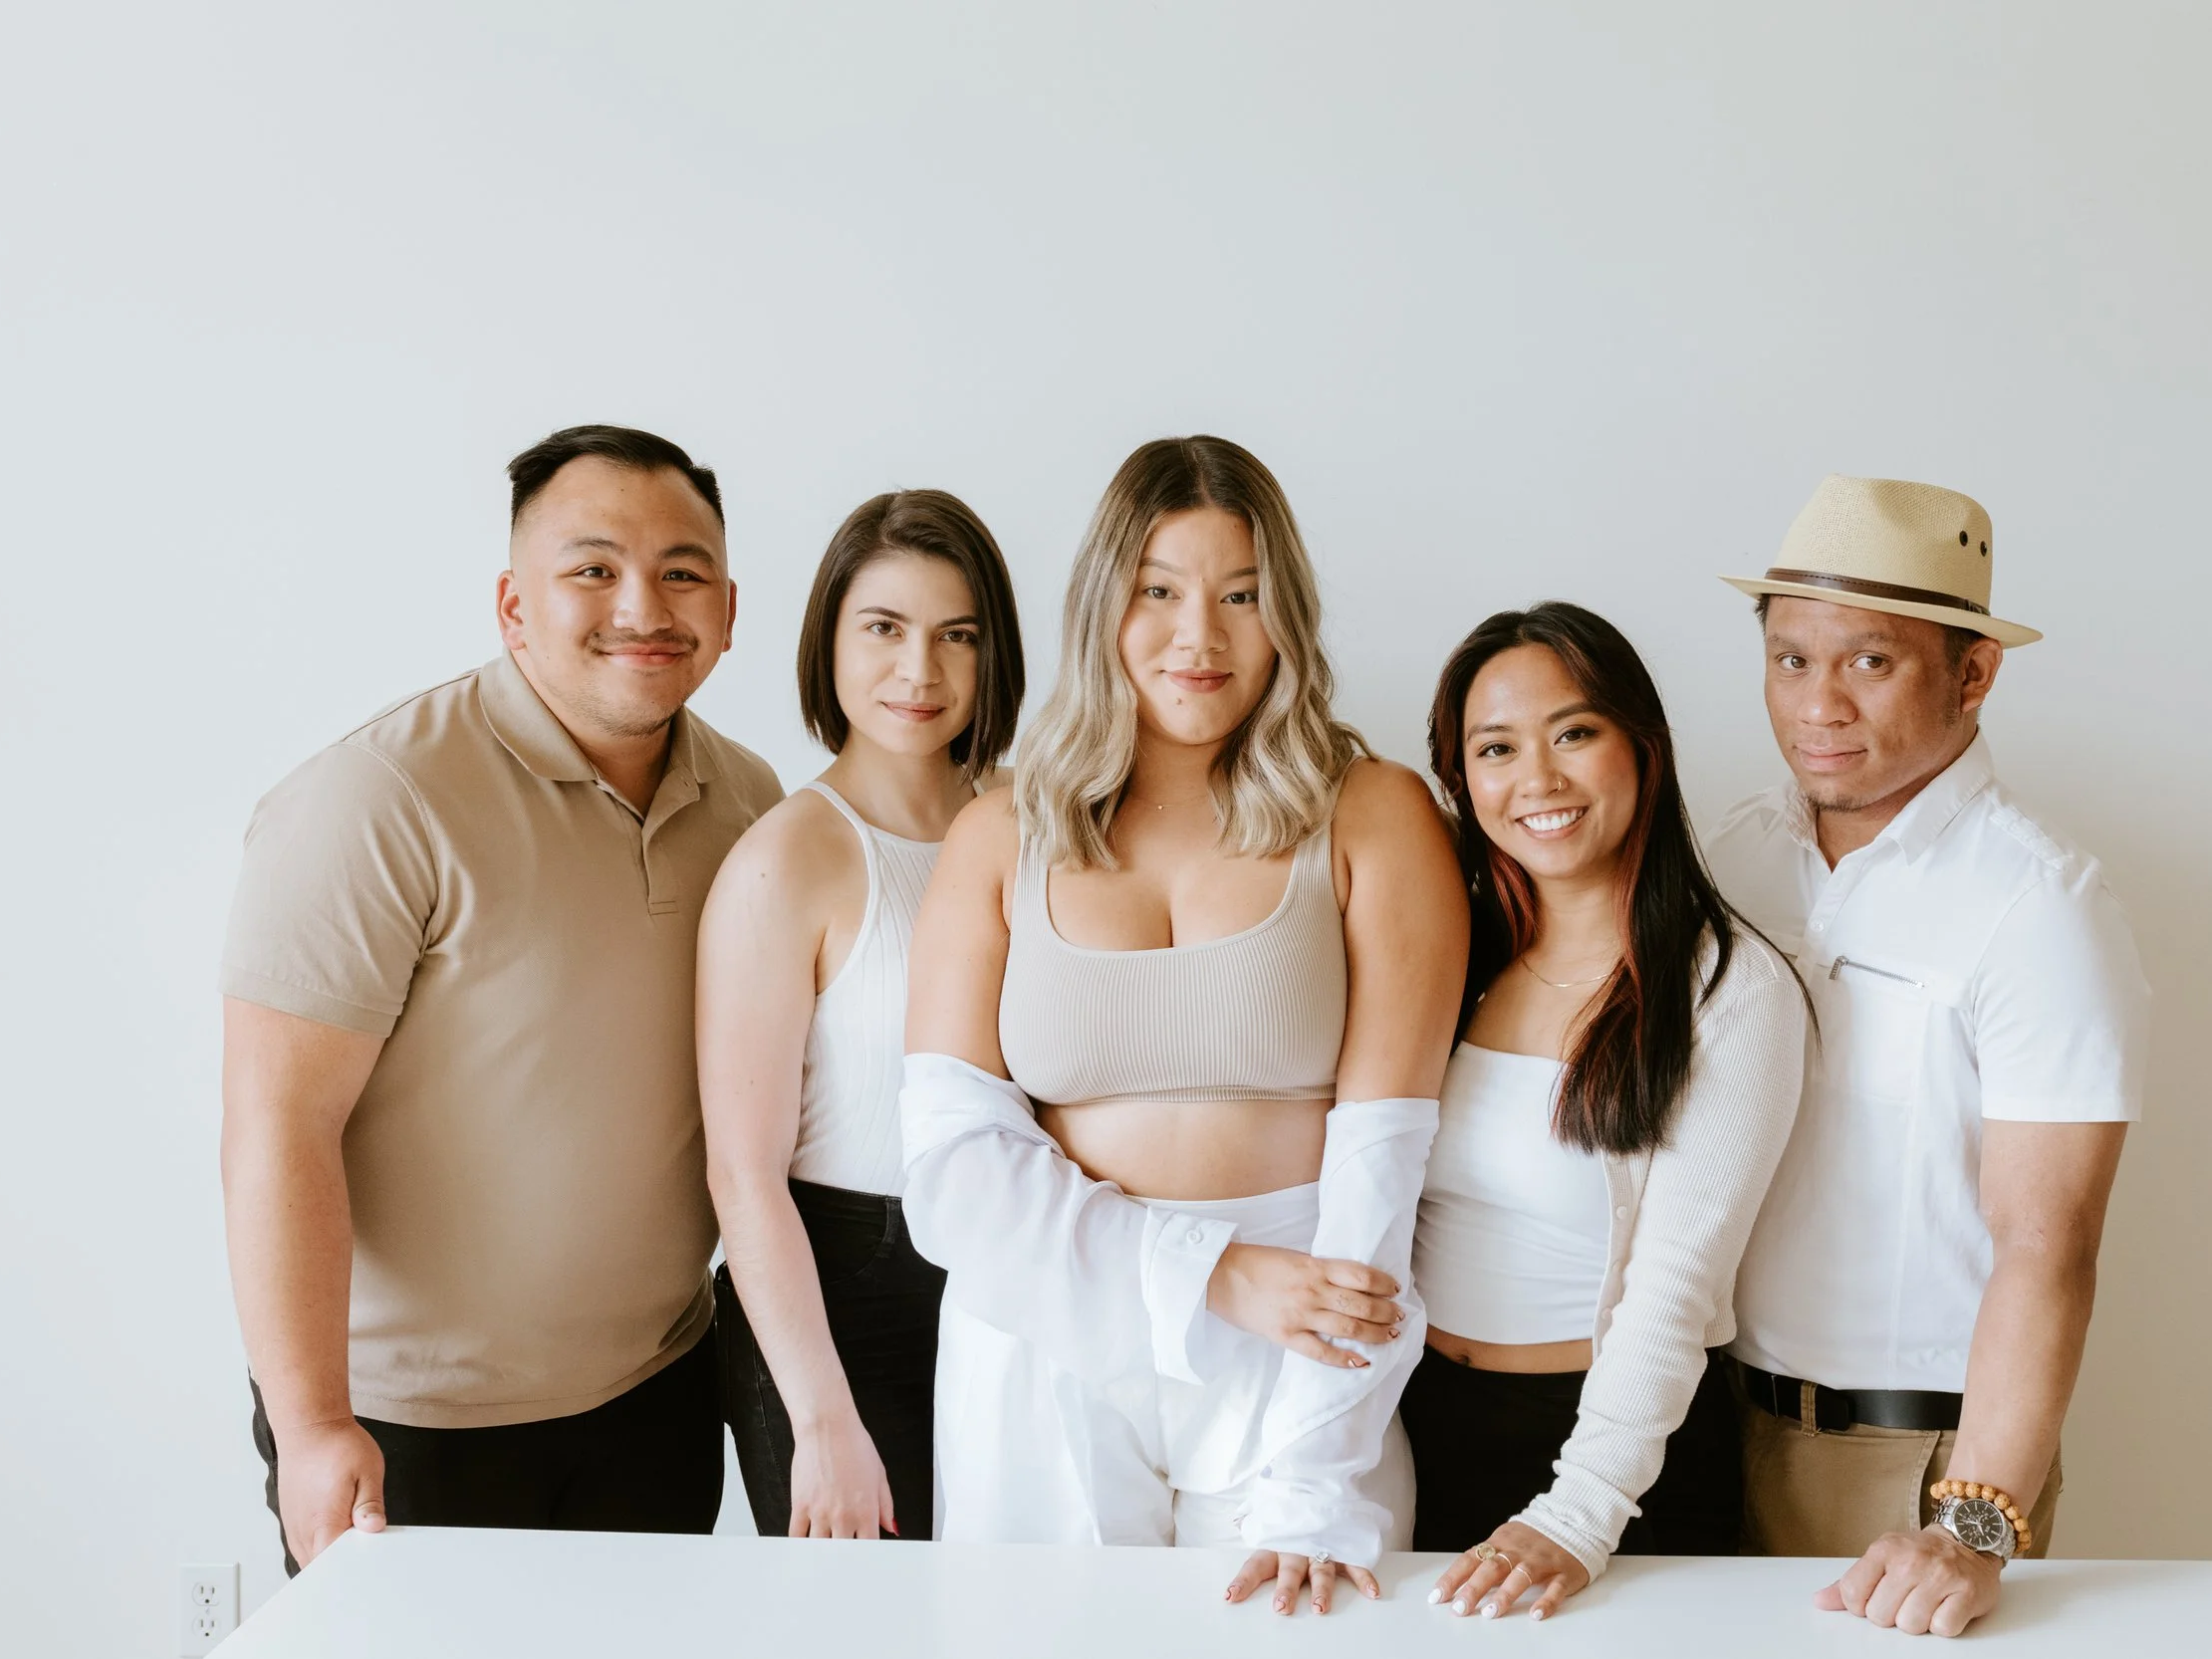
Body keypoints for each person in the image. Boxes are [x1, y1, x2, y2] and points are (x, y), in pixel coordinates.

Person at [899, 435, 1465, 1614]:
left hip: (1306, 1335)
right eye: (1157, 590)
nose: (1197, 636)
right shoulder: (998, 833)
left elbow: (1383, 1162)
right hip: (1045, 1332)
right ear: (1102, 605)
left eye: (1240, 595)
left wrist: (1320, 1462)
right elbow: (951, 1167)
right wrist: (1211, 1274)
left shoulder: (1373, 813)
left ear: (1285, 614)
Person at [219, 425, 784, 1571]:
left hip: (657, 1395)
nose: (643, 606)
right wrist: (313, 1424)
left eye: (682, 572)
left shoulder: (749, 801)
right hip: (408, 1424)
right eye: (594, 569)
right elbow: (277, 1123)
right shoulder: (377, 800)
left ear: (728, 612)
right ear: (514, 605)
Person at [1709, 474, 2149, 1637]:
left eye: (1870, 660)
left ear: (1972, 673)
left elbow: (2050, 1242)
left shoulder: (2039, 905)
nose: (1819, 703)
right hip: (1709, 1423)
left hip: (1913, 1463)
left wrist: (1971, 1526)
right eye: (1790, 658)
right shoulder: (1729, 858)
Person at [1412, 603, 1807, 1622]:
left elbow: (1675, 1287)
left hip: (1613, 1461)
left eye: (1574, 732)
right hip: (1420, 1432)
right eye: (1496, 748)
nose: (1536, 778)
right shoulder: (1451, 963)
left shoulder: (1727, 989)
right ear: (1460, 779)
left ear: (1642, 746)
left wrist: (1579, 1513)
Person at [697, 491, 1024, 1542]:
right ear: (828, 639)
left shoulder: (1032, 821)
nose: (919, 671)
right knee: (861, 1616)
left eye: (957, 635)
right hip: (839, 1293)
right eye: (884, 627)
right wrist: (822, 1419)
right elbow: (742, 1173)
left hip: (1008, 1268)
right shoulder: (787, 857)